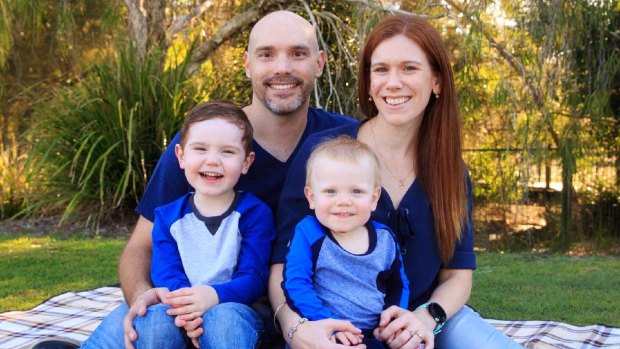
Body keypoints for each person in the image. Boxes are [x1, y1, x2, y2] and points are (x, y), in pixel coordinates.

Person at [67, 10, 358, 349]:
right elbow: (141, 246)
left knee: (223, 326)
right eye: (266, 54)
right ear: (247, 64)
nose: (282, 67)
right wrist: (147, 297)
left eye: (298, 53)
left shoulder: (343, 143)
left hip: (264, 310)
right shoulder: (206, 145)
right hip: (185, 302)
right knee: (142, 323)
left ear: (319, 63)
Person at [271, 14, 524, 349]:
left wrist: (426, 318)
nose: (393, 82)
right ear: (368, 81)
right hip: (333, 326)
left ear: (437, 81)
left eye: (409, 68)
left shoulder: (451, 171)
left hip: (427, 319)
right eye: (381, 69)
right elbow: (281, 267)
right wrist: (296, 327)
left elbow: (458, 275)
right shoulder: (324, 155)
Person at [131, 101, 275, 348]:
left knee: (223, 321)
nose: (212, 161)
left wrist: (214, 296)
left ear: (246, 162)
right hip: (181, 309)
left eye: (227, 152)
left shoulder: (255, 214)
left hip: (239, 311)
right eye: (200, 149)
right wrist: (189, 309)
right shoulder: (167, 217)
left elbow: (253, 277)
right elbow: (166, 273)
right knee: (153, 321)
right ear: (181, 156)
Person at [282, 136, 409, 349]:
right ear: (311, 197)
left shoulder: (385, 239)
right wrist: (329, 324)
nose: (343, 201)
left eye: (356, 191)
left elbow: (398, 284)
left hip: (373, 335)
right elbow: (296, 283)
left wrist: (393, 319)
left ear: (374, 198)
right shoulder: (308, 232)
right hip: (322, 333)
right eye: (331, 191)